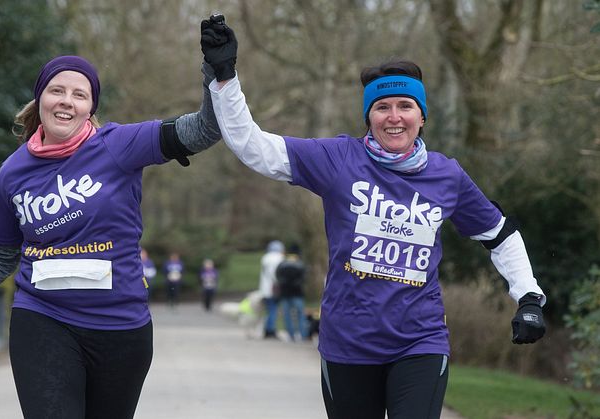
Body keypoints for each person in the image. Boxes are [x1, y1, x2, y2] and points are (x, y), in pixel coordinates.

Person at [200, 15, 547, 419]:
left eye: (405, 106)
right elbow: (253, 146)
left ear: (422, 116)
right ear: (369, 116)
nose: (394, 116)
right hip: (348, 343)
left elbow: (499, 234)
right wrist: (225, 78)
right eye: (382, 107)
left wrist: (528, 296)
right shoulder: (338, 160)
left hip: (420, 341)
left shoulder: (447, 175)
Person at [0, 52, 223, 419]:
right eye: (57, 90)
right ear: (41, 99)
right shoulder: (13, 172)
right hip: (42, 318)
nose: (66, 101)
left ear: (90, 107)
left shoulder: (120, 145)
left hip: (120, 328)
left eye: (79, 94)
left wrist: (216, 72)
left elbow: (204, 130)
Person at [275, 244, 309, 341]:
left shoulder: (282, 264)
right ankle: (303, 335)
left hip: (285, 293)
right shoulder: (300, 264)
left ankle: (291, 335)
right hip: (297, 293)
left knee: (287, 315)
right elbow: (303, 278)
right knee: (300, 315)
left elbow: (277, 276)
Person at [259, 240, 284, 338]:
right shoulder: (279, 258)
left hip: (264, 288)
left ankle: (267, 328)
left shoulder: (265, 258)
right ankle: (270, 330)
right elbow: (276, 274)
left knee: (269, 309)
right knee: (273, 309)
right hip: (274, 288)